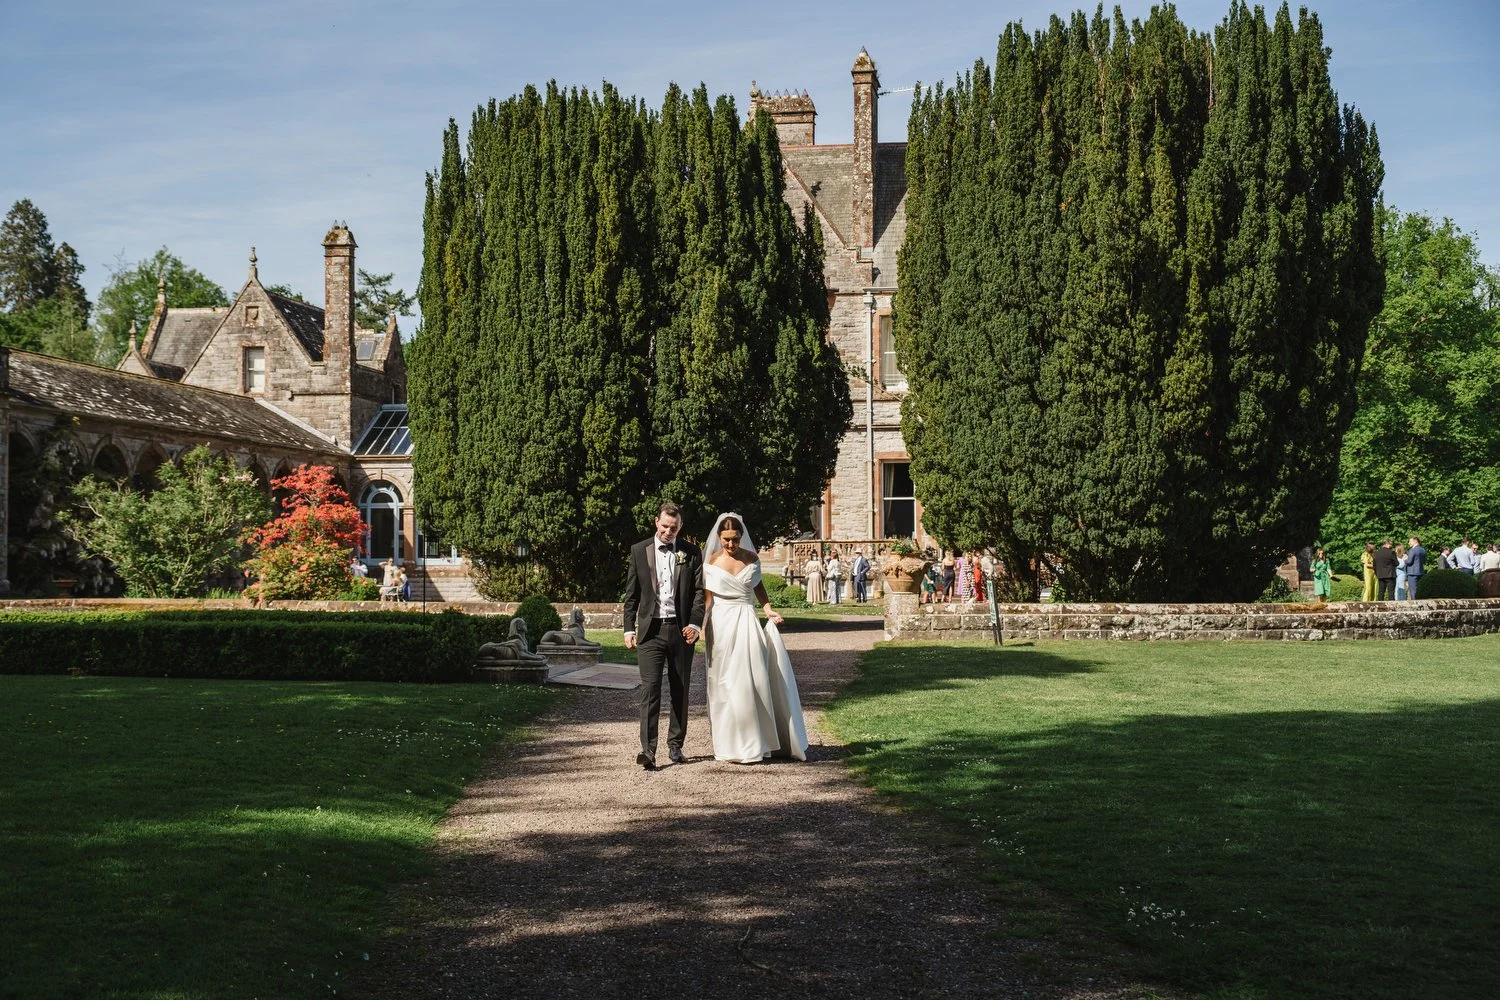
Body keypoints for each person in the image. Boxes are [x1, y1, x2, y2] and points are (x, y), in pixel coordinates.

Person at [703, 513, 808, 764]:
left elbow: (759, 587)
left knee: (753, 680)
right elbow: (707, 601)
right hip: (720, 623)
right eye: (727, 540)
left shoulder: (751, 559)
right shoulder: (711, 562)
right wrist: (700, 626)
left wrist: (768, 609)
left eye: (735, 539)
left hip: (747, 619)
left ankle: (757, 742)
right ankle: (730, 743)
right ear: (719, 538)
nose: (731, 545)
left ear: (741, 537)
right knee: (724, 683)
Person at [622, 501, 705, 771]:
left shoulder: (691, 553)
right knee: (650, 690)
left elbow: (699, 592)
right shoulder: (639, 550)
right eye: (665, 526)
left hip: (681, 631)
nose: (669, 531)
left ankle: (675, 744)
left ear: (680, 527)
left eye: (675, 527)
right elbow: (631, 594)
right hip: (650, 631)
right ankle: (648, 750)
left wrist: (695, 624)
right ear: (656, 522)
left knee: (680, 689)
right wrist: (628, 628)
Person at [1405, 536, 1427, 600]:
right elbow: (1424, 561)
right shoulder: (1423, 550)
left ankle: (1415, 604)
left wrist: (1404, 560)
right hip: (1420, 572)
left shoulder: (1412, 550)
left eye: (1410, 541)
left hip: (1412, 573)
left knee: (1413, 590)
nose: (1409, 543)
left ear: (1415, 541)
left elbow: (1409, 561)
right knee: (1419, 589)